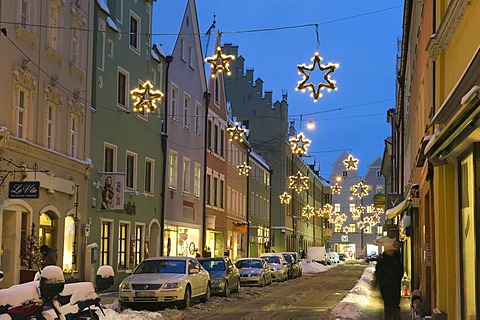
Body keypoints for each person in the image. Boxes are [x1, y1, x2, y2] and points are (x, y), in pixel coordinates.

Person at [375, 239, 403, 320]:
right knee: (388, 305)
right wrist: (382, 281)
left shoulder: (396, 258)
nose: (393, 252)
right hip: (386, 286)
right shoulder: (383, 260)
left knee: (395, 304)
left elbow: (400, 271)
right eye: (392, 250)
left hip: (394, 285)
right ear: (388, 250)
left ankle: (395, 317)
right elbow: (379, 273)